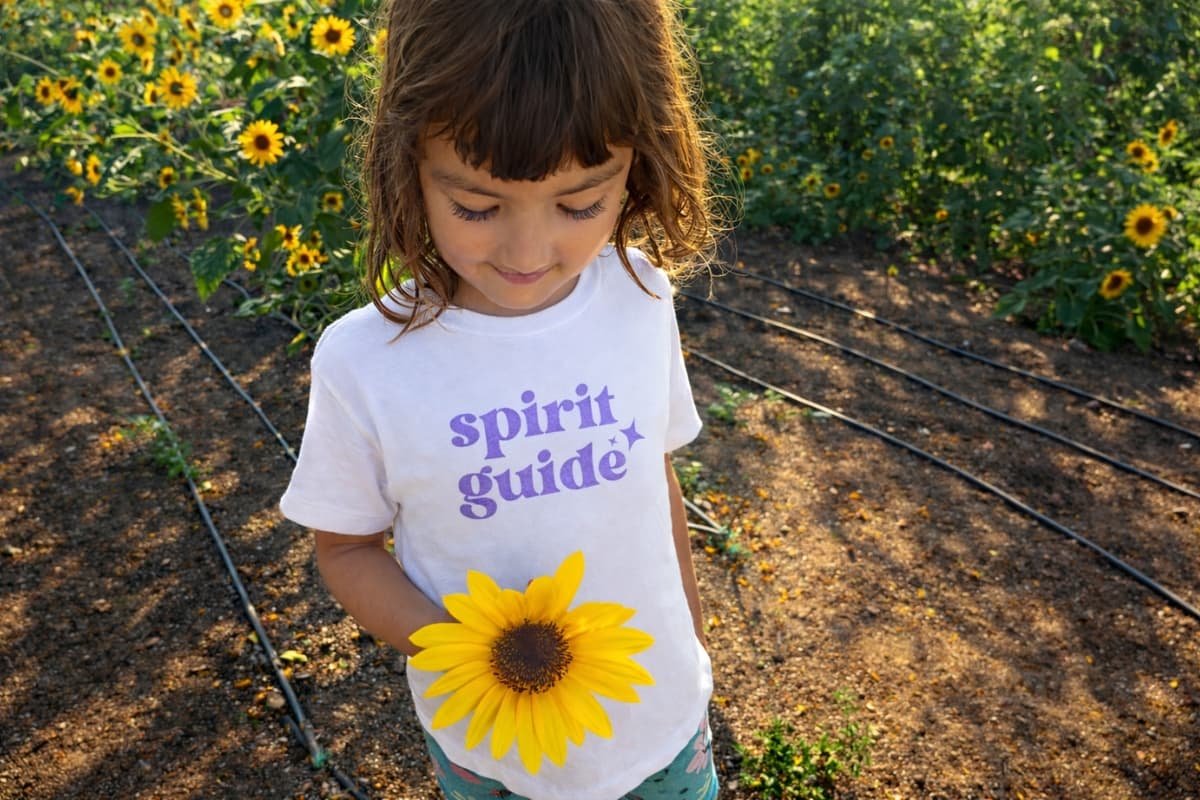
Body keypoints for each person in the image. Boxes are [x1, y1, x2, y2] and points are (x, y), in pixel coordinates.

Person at [280, 1, 722, 797]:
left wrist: (690, 640)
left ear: (640, 163)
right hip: (489, 749)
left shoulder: (640, 295)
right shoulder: (365, 361)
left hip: (661, 727)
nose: (527, 252)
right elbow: (345, 549)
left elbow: (655, 483)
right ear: (404, 160)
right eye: (477, 208)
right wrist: (476, 651)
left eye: (581, 204)